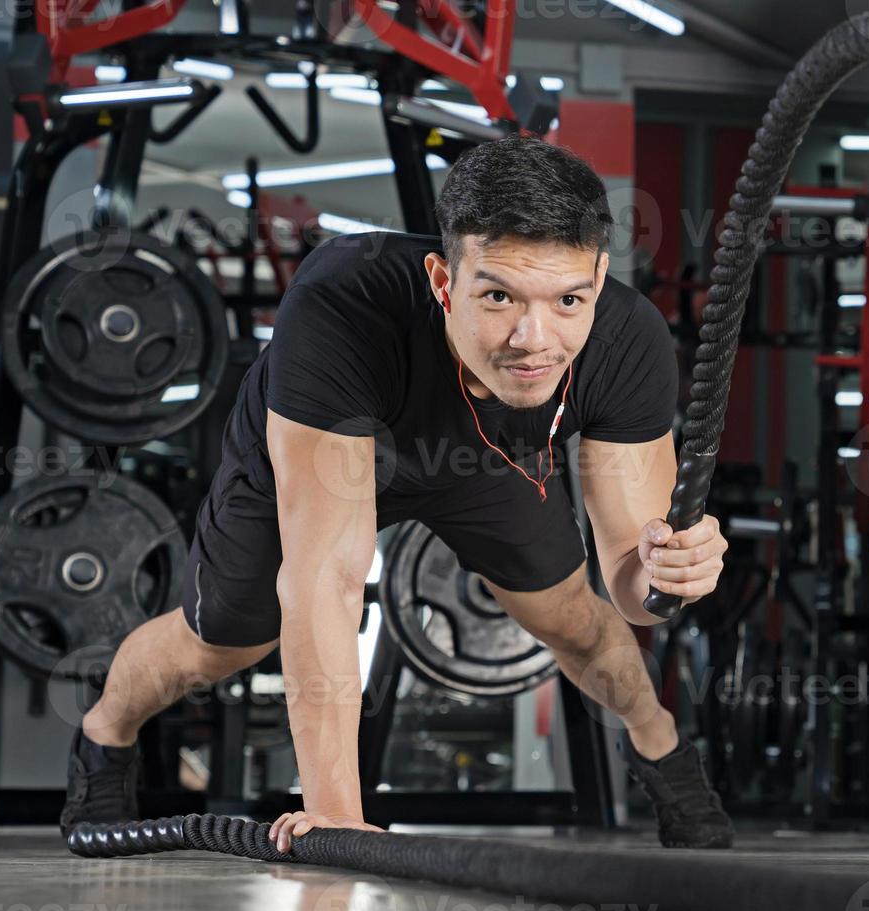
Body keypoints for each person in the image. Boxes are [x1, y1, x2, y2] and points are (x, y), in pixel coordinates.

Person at [61, 136, 735, 850]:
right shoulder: (341, 306)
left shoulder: (627, 342)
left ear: (598, 280)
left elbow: (635, 591)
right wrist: (336, 815)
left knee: (576, 617)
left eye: (568, 299)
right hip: (322, 445)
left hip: (478, 457)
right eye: (498, 296)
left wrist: (673, 573)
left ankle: (663, 749)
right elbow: (326, 580)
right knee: (216, 645)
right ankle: (105, 735)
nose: (535, 339)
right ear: (444, 281)